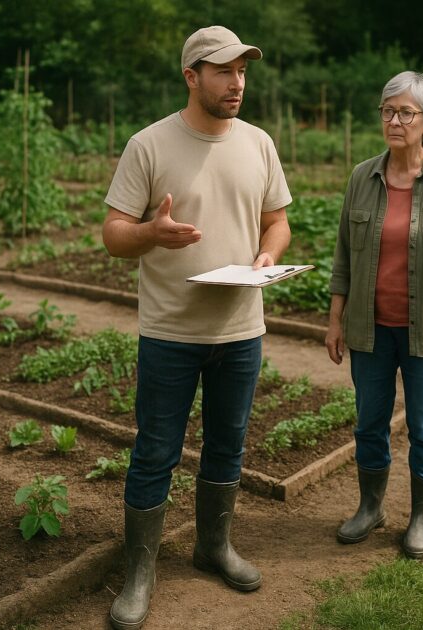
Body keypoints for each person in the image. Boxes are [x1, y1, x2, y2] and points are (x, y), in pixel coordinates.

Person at [101, 25, 292, 629]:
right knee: (155, 451)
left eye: (242, 71)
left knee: (228, 445)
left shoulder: (259, 143)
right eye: (223, 71)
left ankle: (213, 546)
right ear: (191, 77)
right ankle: (140, 571)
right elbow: (113, 235)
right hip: (170, 333)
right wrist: (149, 234)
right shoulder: (150, 145)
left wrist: (267, 254)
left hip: (241, 330)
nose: (237, 83)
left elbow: (278, 222)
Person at [326, 71, 423, 558]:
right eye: (388, 111)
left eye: (406, 113)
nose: (395, 121)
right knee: (368, 422)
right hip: (370, 331)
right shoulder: (362, 177)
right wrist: (336, 319)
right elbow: (344, 257)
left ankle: (420, 517)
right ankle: (370, 507)